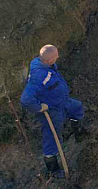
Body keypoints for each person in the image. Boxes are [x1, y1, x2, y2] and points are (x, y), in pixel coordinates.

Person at [20, 45, 85, 179]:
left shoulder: (42, 63)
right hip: (52, 110)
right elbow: (26, 100)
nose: (58, 57)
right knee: (52, 136)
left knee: (77, 108)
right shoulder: (39, 76)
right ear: (49, 60)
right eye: (56, 56)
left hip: (63, 101)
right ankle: (53, 168)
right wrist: (39, 107)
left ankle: (78, 132)